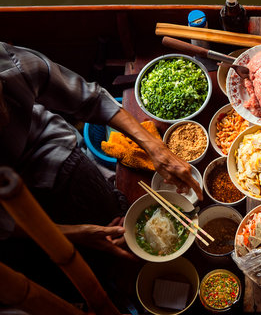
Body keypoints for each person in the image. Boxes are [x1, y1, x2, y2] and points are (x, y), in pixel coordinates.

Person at [0, 41, 203, 259]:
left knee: (116, 224)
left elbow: (91, 99)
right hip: (8, 217)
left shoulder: (9, 63)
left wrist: (155, 147)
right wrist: (73, 234)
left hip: (52, 151)